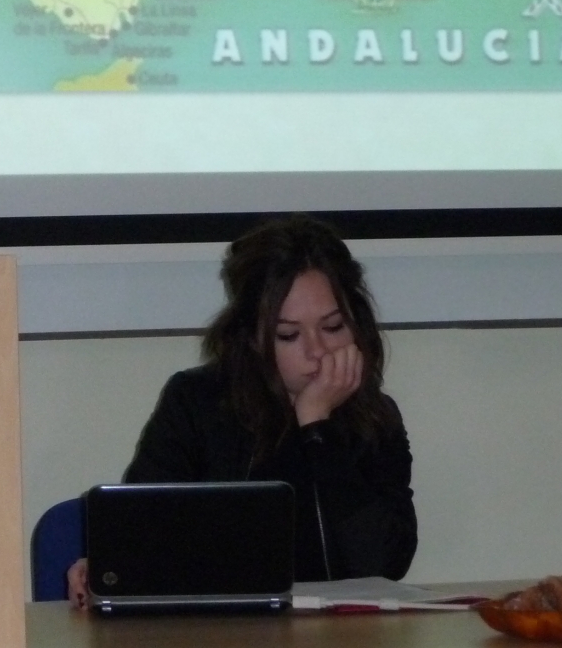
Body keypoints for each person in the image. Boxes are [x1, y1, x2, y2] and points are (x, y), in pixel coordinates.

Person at [67, 216, 415, 607]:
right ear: (252, 338)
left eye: (333, 327)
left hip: (341, 632)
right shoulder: (196, 401)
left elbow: (384, 564)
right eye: (288, 335)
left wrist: (317, 426)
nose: (317, 351)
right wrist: (108, 563)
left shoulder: (376, 419)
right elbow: (138, 530)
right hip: (220, 628)